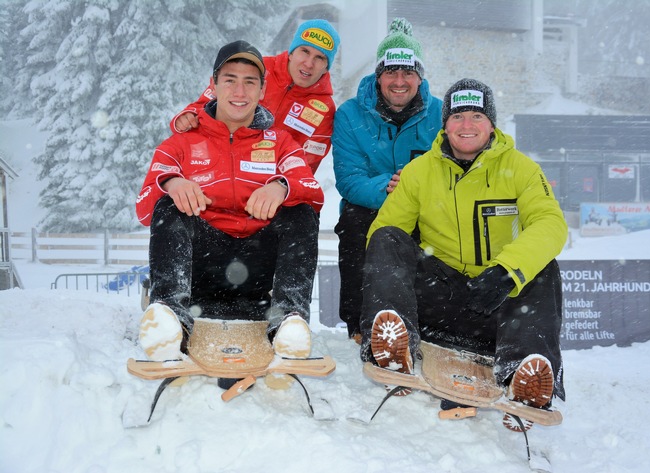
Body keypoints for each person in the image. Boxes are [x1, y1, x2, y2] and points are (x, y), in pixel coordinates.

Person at [359, 78, 567, 430]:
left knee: (542, 266)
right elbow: (384, 233)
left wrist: (506, 272)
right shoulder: (419, 171)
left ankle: (525, 378)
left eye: (476, 116)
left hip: (500, 310)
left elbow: (551, 224)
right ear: (445, 124)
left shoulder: (522, 169)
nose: (466, 126)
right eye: (457, 117)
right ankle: (395, 346)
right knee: (386, 237)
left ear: (491, 124)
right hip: (439, 302)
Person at [135, 40, 324, 368]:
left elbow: (311, 188)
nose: (240, 90)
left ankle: (289, 322)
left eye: (250, 82)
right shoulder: (181, 141)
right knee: (168, 207)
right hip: (202, 273)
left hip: (259, 278)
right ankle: (170, 321)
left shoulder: (280, 142)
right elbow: (144, 208)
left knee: (302, 212)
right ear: (213, 85)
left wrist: (281, 187)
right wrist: (173, 182)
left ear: (262, 90)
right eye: (230, 79)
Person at [332, 18, 442, 342]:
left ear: (420, 76)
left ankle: (429, 323)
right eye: (391, 71)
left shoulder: (441, 114)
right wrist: (392, 189)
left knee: (440, 232)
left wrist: (415, 193)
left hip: (427, 206)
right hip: (372, 203)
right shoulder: (350, 114)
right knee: (353, 220)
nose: (399, 81)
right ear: (378, 75)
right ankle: (360, 324)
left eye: (408, 72)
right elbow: (350, 180)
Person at [171, 19, 340, 174]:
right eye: (304, 51)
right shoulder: (259, 68)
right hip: (219, 166)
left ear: (326, 67)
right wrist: (188, 116)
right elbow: (209, 101)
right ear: (291, 52)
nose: (309, 63)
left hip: (268, 184)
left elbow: (306, 165)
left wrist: (277, 186)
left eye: (320, 58)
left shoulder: (324, 108)